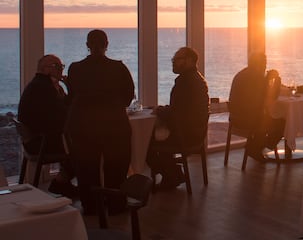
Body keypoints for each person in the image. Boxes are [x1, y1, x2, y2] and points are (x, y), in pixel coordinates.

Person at [65, 30, 135, 213]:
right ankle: (115, 204)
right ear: (107, 44)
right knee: (117, 166)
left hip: (83, 125)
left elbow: (72, 96)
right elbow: (128, 96)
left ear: (87, 45)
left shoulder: (75, 68)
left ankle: (90, 205)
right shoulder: (119, 68)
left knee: (86, 167)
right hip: (114, 125)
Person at [147, 47, 210, 189]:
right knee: (155, 138)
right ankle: (172, 174)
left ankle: (172, 175)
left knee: (145, 142)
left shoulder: (185, 83)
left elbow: (177, 113)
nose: (173, 62)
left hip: (185, 135)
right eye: (173, 59)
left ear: (189, 61)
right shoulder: (197, 80)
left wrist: (159, 110)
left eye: (177, 59)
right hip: (196, 133)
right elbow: (183, 109)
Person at [17, 54, 76, 197]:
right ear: (47, 69)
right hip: (41, 143)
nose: (61, 70)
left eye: (62, 66)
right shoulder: (44, 89)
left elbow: (60, 111)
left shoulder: (38, 85)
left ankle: (63, 182)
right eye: (58, 67)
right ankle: (60, 183)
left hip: (33, 140)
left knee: (76, 143)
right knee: (83, 149)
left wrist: (67, 89)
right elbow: (61, 116)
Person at [228, 52, 285, 162]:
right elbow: (270, 98)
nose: (265, 66)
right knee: (282, 123)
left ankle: (255, 145)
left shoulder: (243, 73)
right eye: (264, 63)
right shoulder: (257, 76)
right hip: (248, 120)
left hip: (235, 118)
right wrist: (276, 80)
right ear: (261, 64)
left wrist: (266, 79)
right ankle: (256, 147)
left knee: (265, 118)